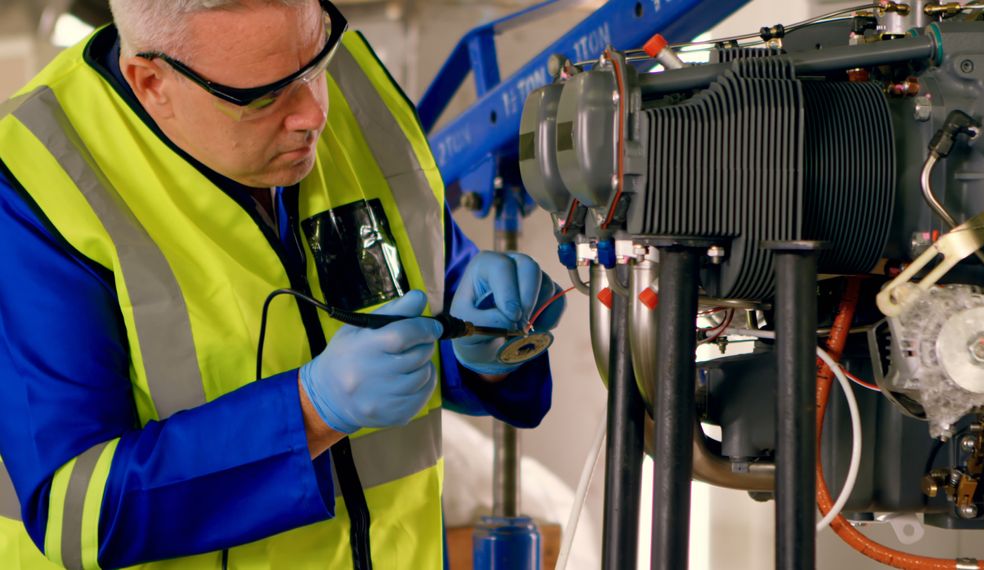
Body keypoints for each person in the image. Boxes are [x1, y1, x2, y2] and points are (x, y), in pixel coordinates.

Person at [0, 0, 566, 568]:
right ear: (152, 82)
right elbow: (80, 513)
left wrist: (482, 349)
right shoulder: (40, 178)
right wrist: (309, 413)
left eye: (316, 62)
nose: (314, 112)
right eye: (264, 96)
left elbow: (427, 306)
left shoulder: (350, 81)